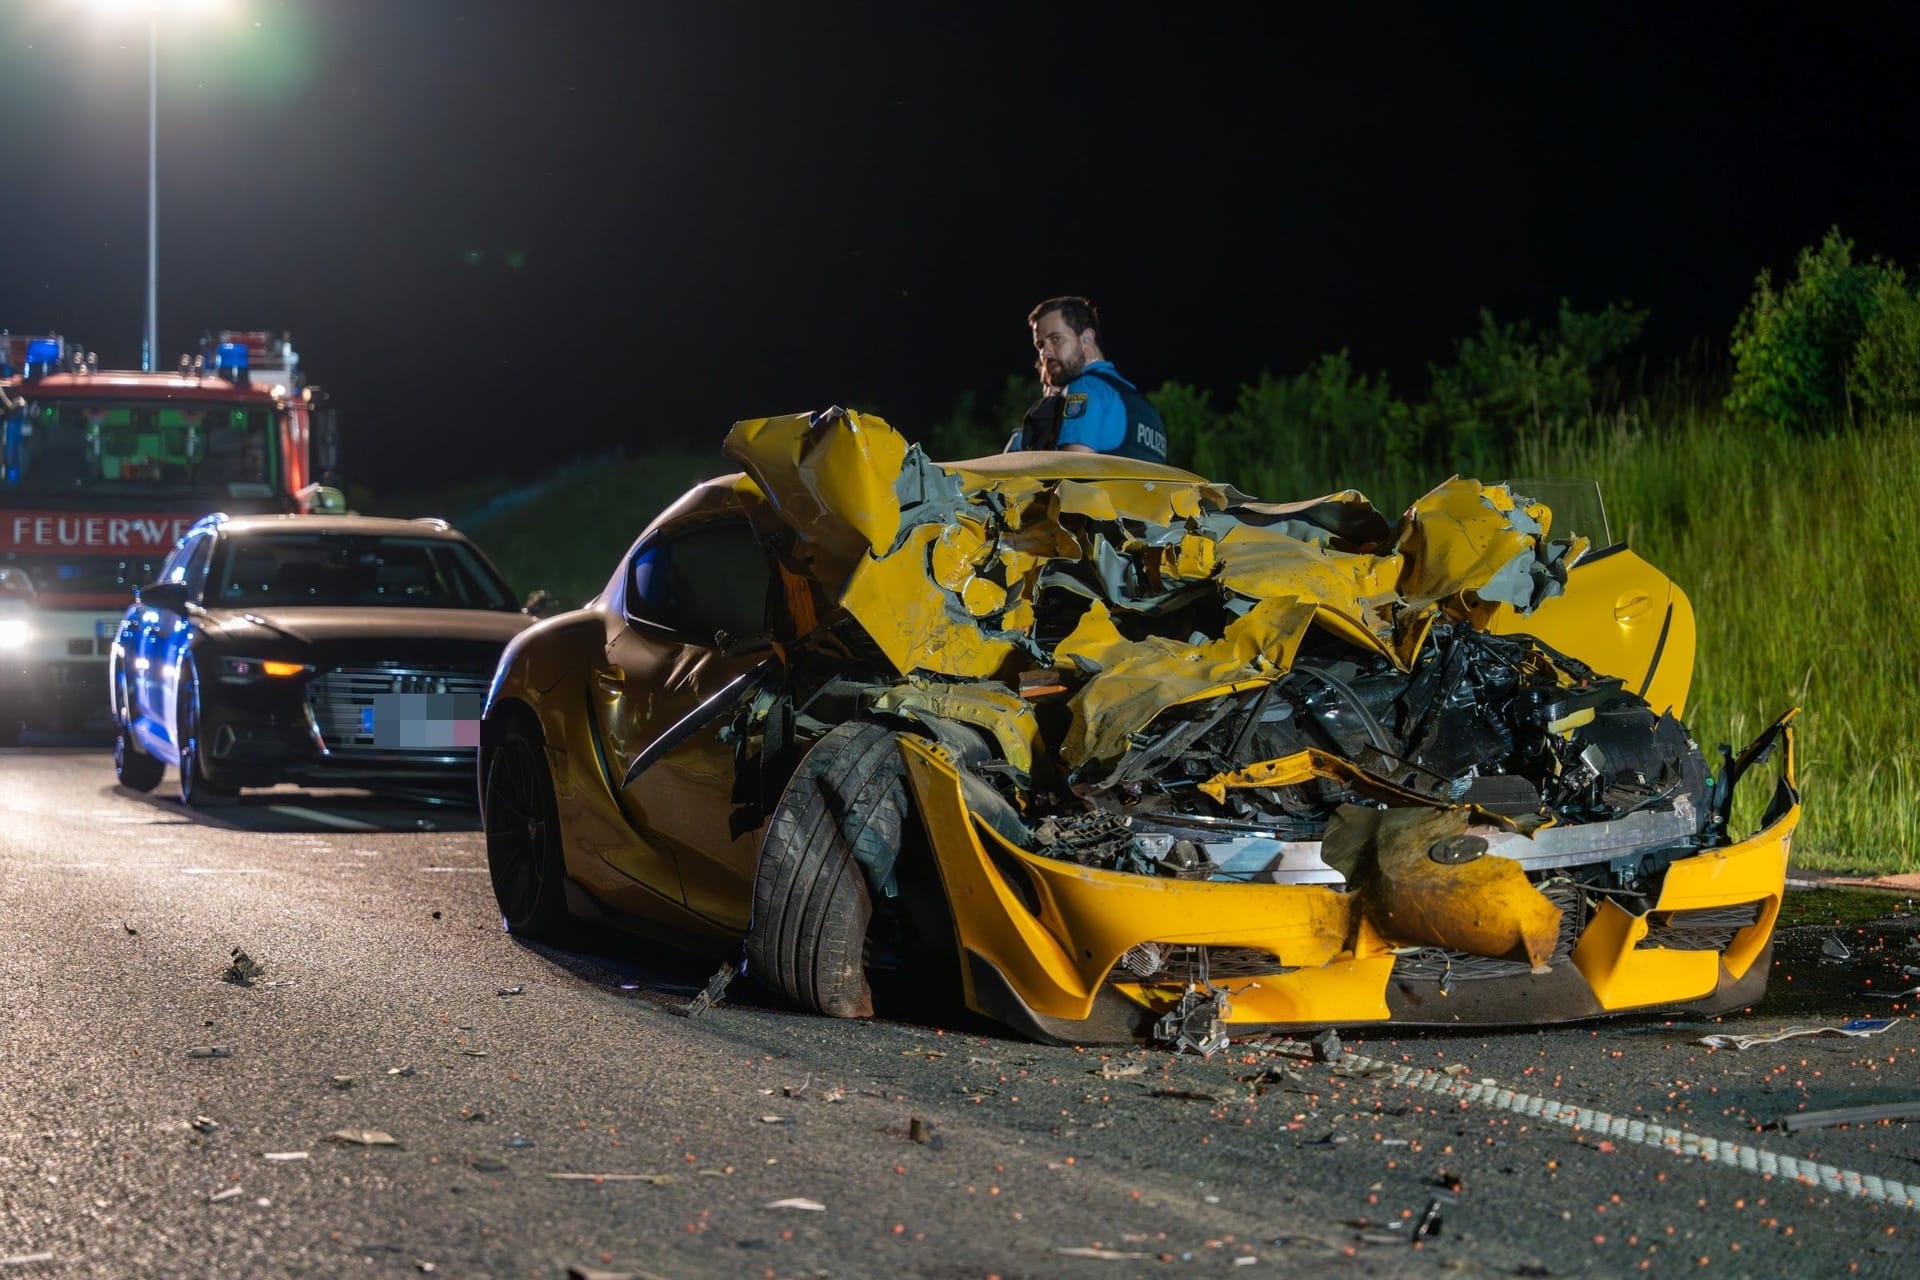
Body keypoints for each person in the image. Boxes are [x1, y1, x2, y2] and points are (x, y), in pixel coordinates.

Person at [1012, 296, 1168, 461]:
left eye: (1056, 339)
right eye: (1041, 345)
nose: (1045, 353)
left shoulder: (1085, 387)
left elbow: (1074, 470)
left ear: (1087, 338)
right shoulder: (1142, 404)